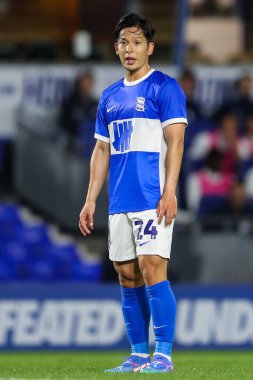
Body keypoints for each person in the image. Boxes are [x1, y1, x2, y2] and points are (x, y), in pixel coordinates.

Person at [79, 13, 187, 373]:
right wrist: (91, 199)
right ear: (116, 48)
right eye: (124, 42)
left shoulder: (165, 88)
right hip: (120, 200)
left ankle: (165, 355)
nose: (130, 49)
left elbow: (176, 142)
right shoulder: (109, 97)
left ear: (150, 48)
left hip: (152, 196)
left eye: (137, 42)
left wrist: (170, 191)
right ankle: (139, 353)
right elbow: (101, 151)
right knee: (126, 274)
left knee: (152, 268)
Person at [59, 71, 98, 158]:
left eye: (89, 83)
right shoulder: (69, 104)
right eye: (85, 83)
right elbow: (62, 126)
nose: (87, 86)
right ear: (79, 83)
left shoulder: (95, 105)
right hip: (73, 152)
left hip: (92, 152)